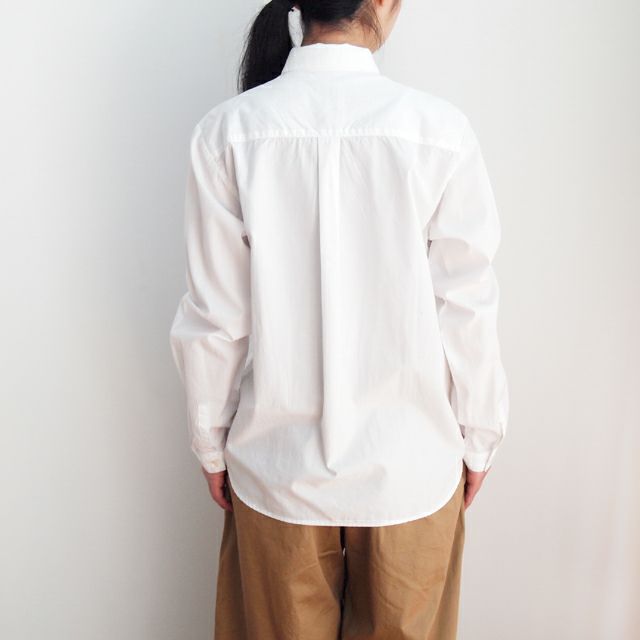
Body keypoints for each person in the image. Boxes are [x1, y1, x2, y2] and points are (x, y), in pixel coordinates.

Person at [169, 0, 510, 638]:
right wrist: (480, 435)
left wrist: (209, 442)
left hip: (277, 470)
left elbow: (216, 315)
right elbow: (467, 301)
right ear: (382, 3)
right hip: (411, 469)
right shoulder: (437, 130)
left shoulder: (228, 132)